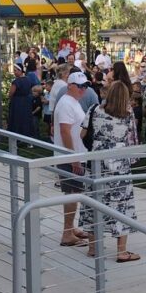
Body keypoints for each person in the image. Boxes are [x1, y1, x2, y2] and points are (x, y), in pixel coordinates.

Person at [79, 80, 140, 263]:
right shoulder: (128, 113)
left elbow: (82, 134)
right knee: (121, 205)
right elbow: (132, 140)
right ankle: (121, 251)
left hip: (96, 161)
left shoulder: (94, 109)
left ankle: (93, 247)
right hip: (119, 163)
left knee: (93, 202)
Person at [54, 71, 93, 246]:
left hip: (74, 156)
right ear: (70, 86)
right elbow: (65, 131)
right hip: (70, 157)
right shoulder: (66, 104)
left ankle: (70, 228)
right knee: (71, 193)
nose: (83, 89)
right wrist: (73, 158)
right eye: (80, 86)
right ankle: (67, 233)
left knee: (75, 193)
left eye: (85, 86)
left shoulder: (72, 102)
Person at [7, 61, 39, 138]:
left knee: (17, 119)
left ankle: (17, 136)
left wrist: (12, 99)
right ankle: (27, 135)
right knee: (26, 119)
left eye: (15, 70)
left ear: (20, 71)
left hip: (17, 102)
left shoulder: (16, 82)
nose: (14, 72)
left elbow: (11, 93)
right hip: (27, 102)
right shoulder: (28, 80)